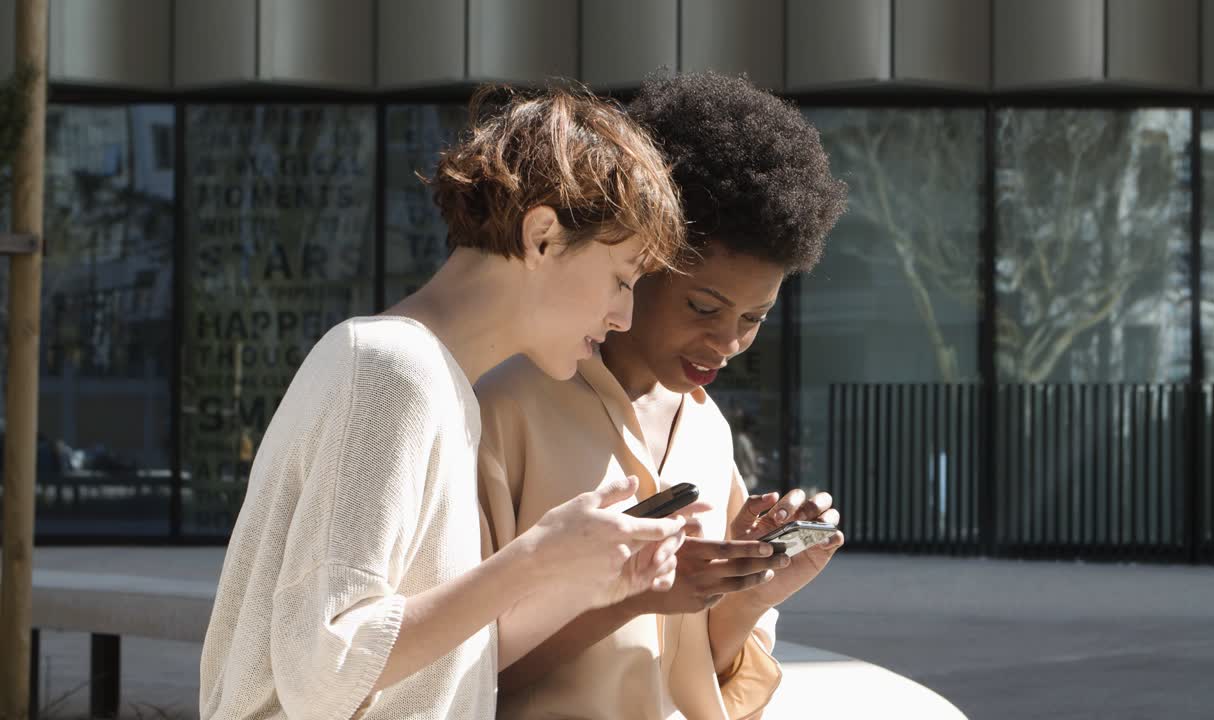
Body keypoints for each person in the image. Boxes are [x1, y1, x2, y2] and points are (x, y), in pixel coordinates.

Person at [200, 86, 692, 720]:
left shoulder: (435, 382)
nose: (623, 316)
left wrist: (584, 582)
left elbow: (430, 667)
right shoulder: (389, 370)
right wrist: (533, 557)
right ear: (542, 235)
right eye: (621, 279)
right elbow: (328, 672)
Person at [475, 71, 849, 720]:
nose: (727, 341)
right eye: (704, 306)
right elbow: (451, 676)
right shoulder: (508, 406)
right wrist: (630, 598)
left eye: (754, 318)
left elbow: (695, 672)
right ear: (641, 262)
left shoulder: (707, 431)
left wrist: (753, 592)